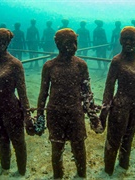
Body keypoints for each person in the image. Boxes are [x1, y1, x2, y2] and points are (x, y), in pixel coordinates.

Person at [37, 28, 103, 179]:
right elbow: (43, 93)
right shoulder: (49, 66)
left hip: (75, 113)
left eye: (75, 43)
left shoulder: (81, 65)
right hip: (55, 113)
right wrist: (40, 117)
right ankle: (58, 176)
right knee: (57, 148)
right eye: (68, 43)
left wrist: (93, 117)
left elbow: (87, 93)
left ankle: (81, 175)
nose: (73, 47)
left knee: (79, 146)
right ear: (58, 44)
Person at [0, 28, 34, 175]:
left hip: (11, 110)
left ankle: (21, 172)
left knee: (18, 142)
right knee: (2, 141)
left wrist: (27, 116)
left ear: (2, 44)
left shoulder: (15, 64)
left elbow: (22, 93)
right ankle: (5, 167)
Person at [99, 26, 135, 176]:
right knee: (114, 139)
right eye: (125, 39)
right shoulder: (116, 61)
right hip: (120, 106)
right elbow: (109, 87)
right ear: (120, 41)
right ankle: (108, 169)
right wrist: (105, 110)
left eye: (131, 39)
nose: (128, 42)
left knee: (128, 138)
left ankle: (124, 164)